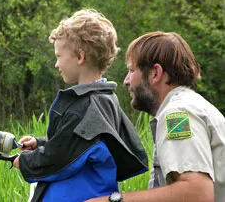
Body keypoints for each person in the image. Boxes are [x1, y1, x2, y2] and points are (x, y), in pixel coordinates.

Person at [12, 9, 148, 202]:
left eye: (59, 56)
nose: (56, 64)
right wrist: (40, 144)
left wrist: (24, 162)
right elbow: (77, 146)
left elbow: (60, 159)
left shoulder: (86, 107)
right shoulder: (106, 99)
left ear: (80, 57)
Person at [86, 31, 225, 202]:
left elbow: (197, 194)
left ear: (155, 73)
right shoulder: (192, 105)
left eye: (131, 70)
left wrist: (112, 200)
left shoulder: (178, 114)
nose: (126, 80)